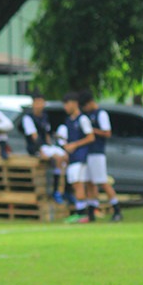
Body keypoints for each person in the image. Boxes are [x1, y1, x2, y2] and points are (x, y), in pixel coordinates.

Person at [79, 90, 123, 222]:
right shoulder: (86, 115)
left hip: (97, 152)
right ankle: (91, 213)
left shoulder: (101, 114)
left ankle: (117, 209)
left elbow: (107, 133)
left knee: (102, 181)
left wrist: (91, 131)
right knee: (90, 182)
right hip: (88, 152)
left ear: (90, 103)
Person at [20, 94, 67, 203]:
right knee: (58, 158)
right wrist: (40, 151)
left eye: (41, 102)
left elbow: (46, 134)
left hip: (46, 146)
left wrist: (51, 145)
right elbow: (34, 137)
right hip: (35, 148)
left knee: (65, 156)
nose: (39, 105)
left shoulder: (45, 117)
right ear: (33, 104)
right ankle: (56, 190)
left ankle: (64, 189)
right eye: (37, 103)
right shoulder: (28, 118)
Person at [57, 92, 95, 223]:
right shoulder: (69, 120)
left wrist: (75, 145)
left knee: (79, 184)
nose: (65, 107)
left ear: (74, 103)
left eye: (67, 104)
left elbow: (91, 137)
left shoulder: (82, 119)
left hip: (81, 156)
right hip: (72, 157)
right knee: (75, 184)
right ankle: (80, 212)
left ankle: (82, 214)